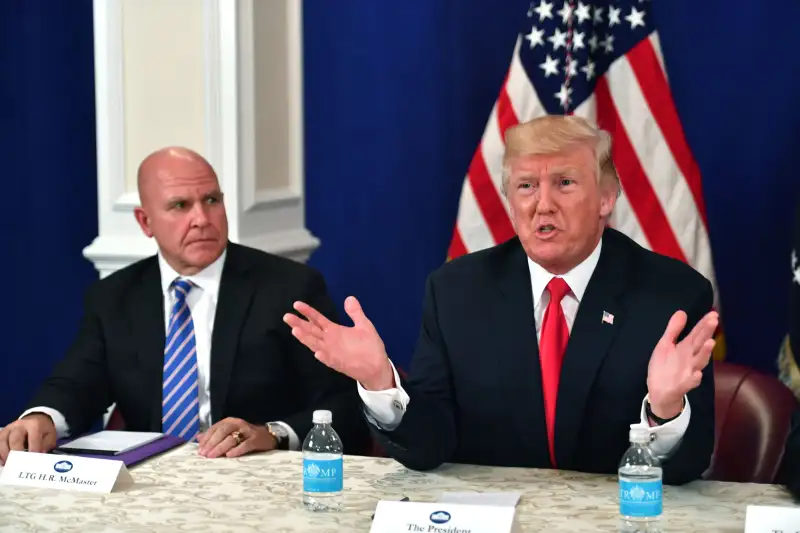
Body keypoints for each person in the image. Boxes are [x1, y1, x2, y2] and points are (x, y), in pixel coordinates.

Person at [285, 116, 718, 485]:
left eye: (564, 183)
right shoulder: (457, 290)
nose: (542, 205)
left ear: (607, 198)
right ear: (510, 203)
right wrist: (380, 382)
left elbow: (689, 467)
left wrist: (664, 411)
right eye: (526, 186)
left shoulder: (672, 298)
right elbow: (430, 446)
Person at [0, 146, 369, 464]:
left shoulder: (288, 287)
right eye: (180, 206)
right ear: (146, 222)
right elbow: (77, 383)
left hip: (255, 478)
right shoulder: (115, 298)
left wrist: (270, 433)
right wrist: (40, 419)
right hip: (153, 487)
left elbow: (343, 406)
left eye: (211, 200)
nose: (202, 219)